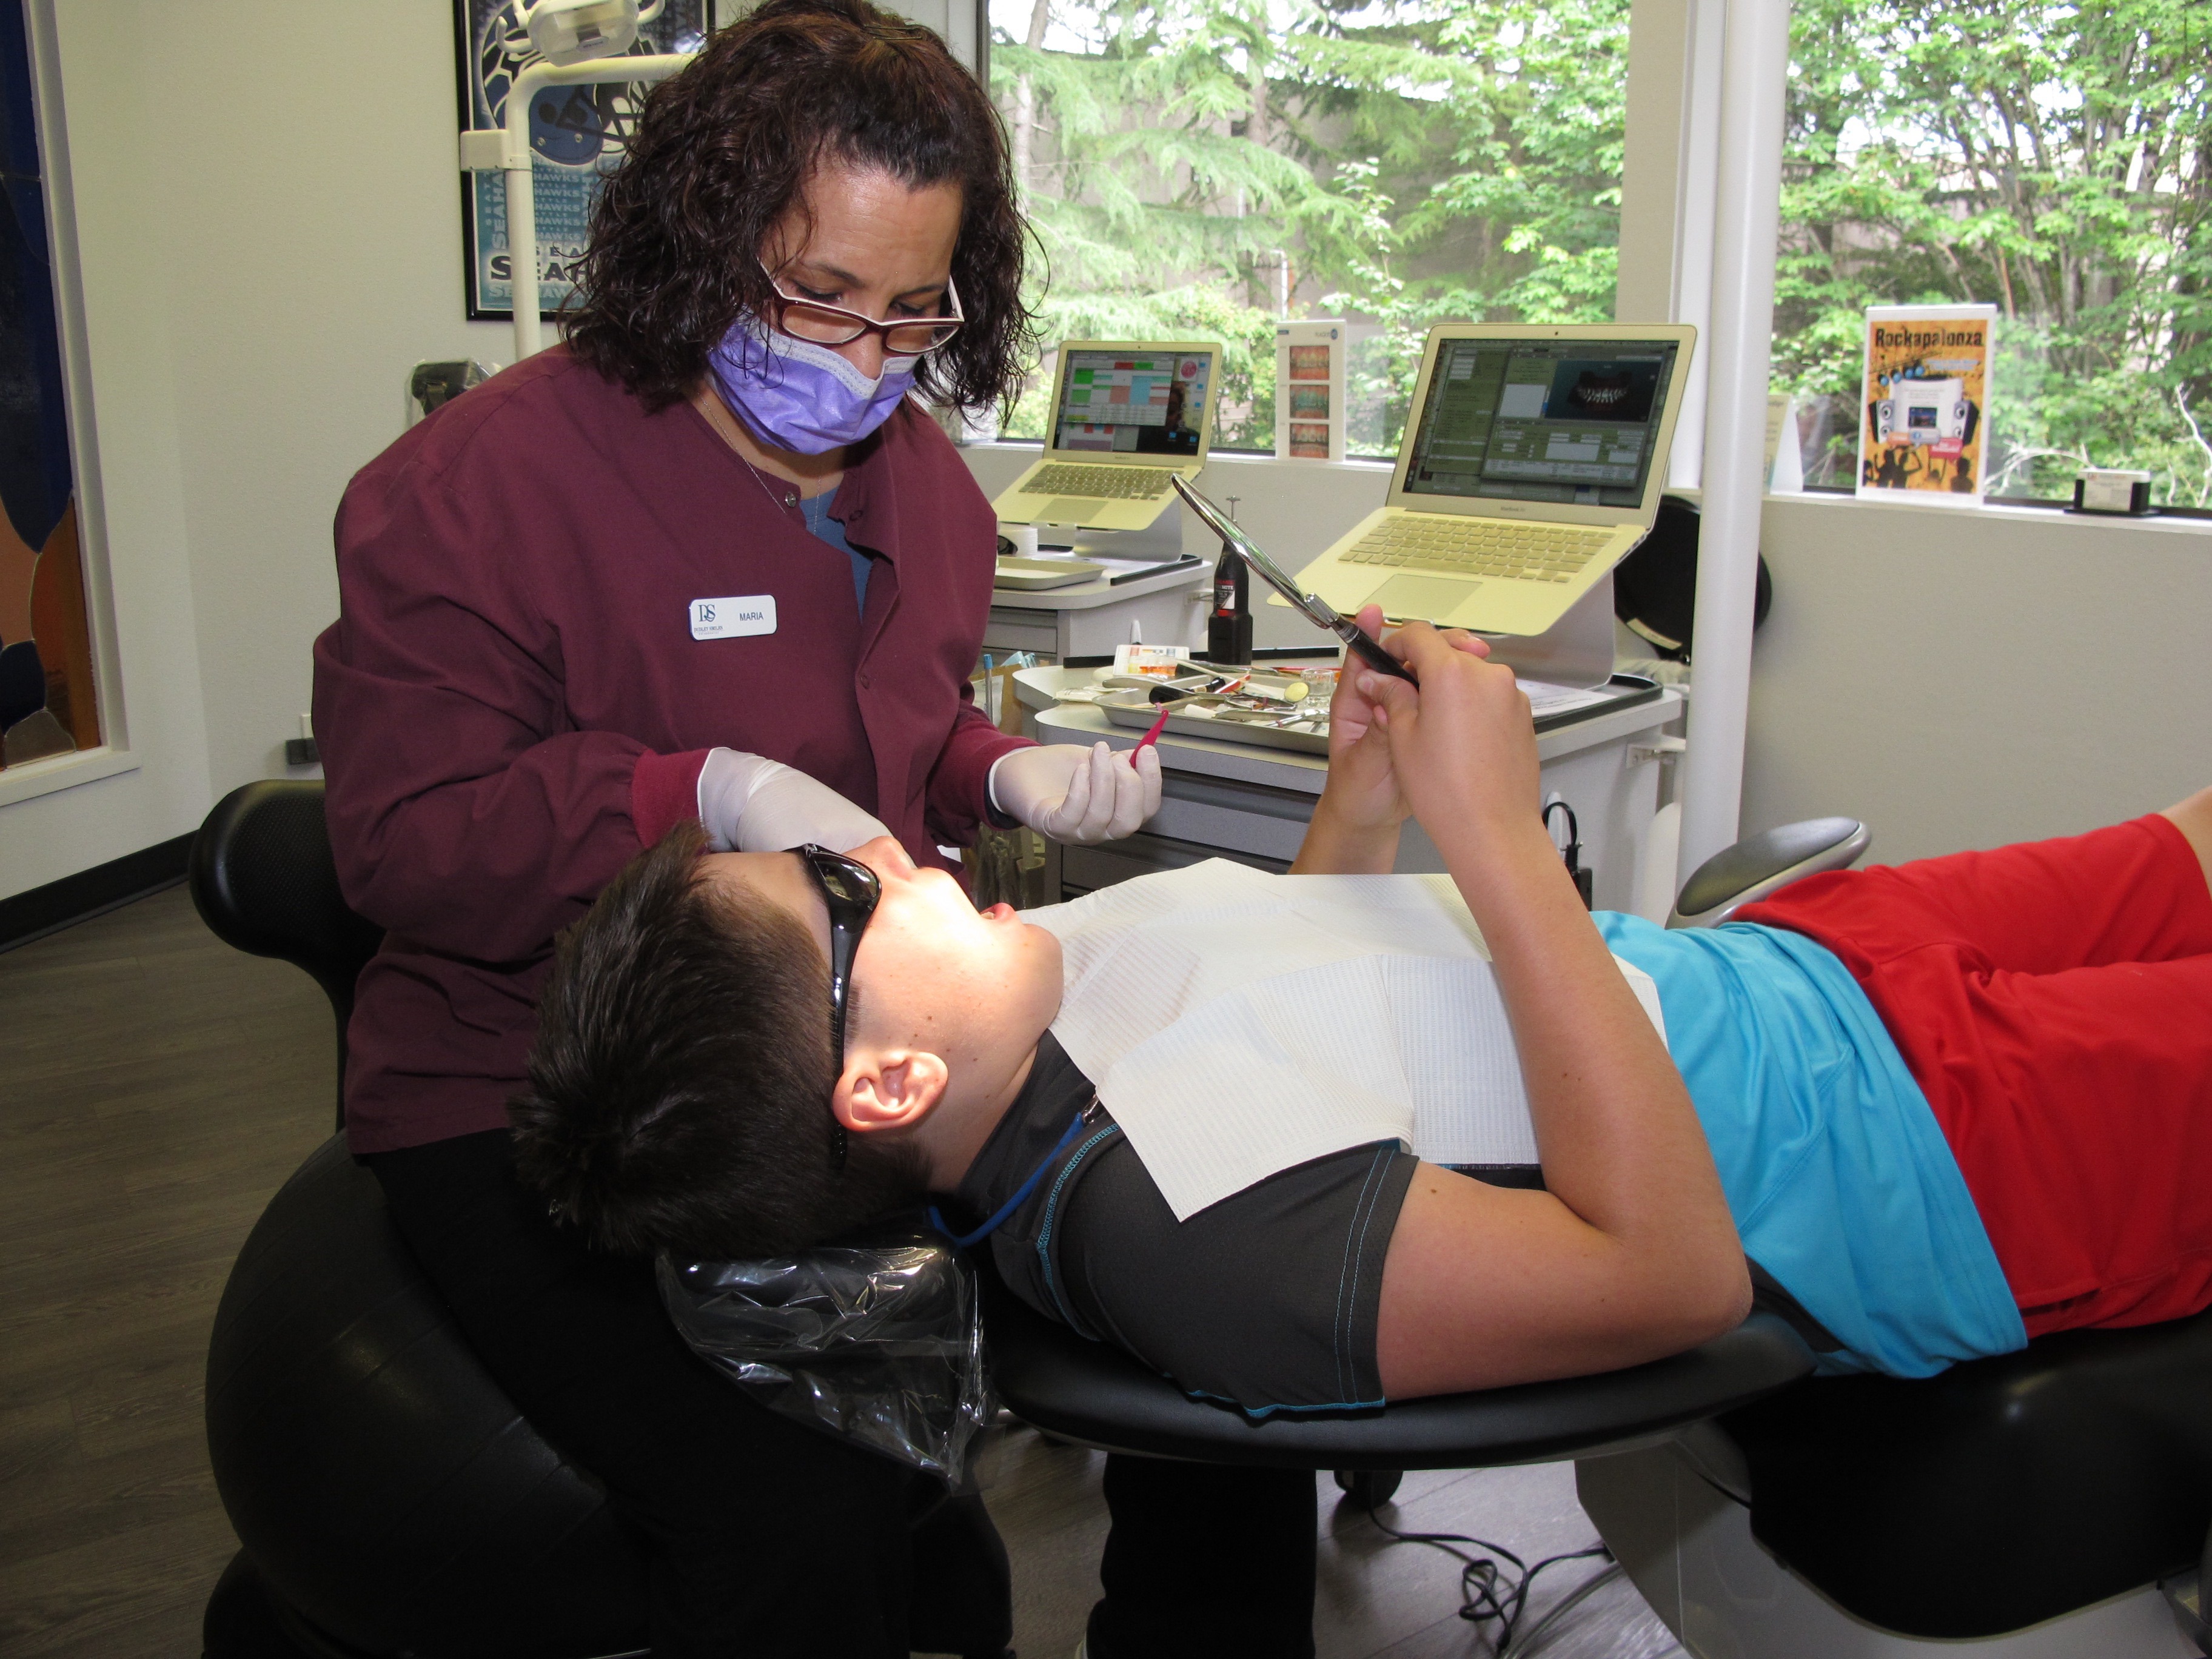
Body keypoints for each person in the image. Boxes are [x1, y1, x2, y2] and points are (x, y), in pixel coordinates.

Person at [308, 2, 1239, 1653]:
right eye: (817, 295)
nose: (861, 359)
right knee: (796, 1516)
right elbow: (405, 842)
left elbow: (874, 720)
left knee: (1207, 1309)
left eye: (909, 312)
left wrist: (987, 773)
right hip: (539, 1093)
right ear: (696, 239)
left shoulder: (923, 488)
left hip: (851, 1067)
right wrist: (689, 794)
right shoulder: (471, 494)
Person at [513, 610, 2212, 1425]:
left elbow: (1297, 997)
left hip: (1800, 973)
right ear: (886, 1081)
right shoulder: (1182, 1233)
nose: (873, 848)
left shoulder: (1028, 1012)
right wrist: (1495, 834)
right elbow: (1673, 1277)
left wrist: (1371, 801)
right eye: (835, 896)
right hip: (1913, 1152)